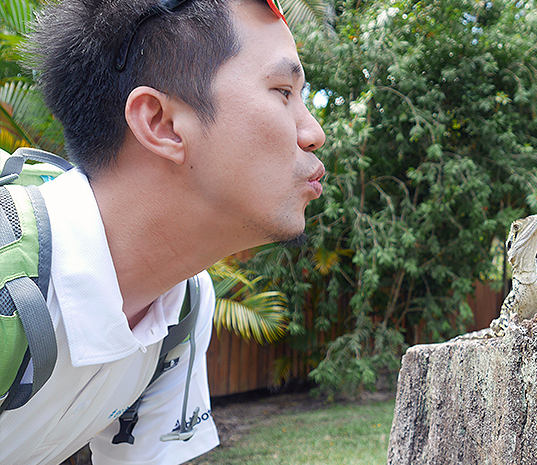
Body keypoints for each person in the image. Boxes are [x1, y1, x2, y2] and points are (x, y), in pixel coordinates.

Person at [0, 0, 325, 462]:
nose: (313, 133)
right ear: (161, 123)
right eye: (281, 91)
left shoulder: (183, 305)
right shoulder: (9, 271)